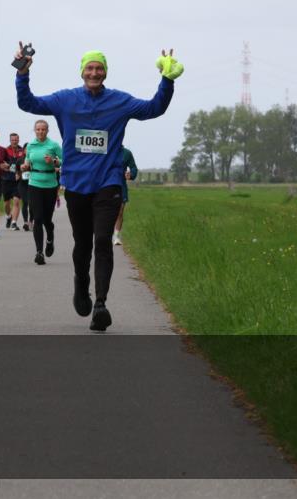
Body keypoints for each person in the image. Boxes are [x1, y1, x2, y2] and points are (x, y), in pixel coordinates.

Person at [15, 45, 183, 331]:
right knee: (82, 244)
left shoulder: (120, 101)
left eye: (99, 68)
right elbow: (27, 103)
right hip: (77, 184)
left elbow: (154, 108)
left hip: (108, 183)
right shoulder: (65, 100)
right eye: (90, 68)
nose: (94, 72)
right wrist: (22, 73)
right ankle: (81, 285)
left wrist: (167, 79)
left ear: (106, 72)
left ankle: (101, 304)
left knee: (103, 240)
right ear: (82, 72)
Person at [23, 120, 61, 265]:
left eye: (43, 129)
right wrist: (25, 166)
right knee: (37, 218)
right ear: (34, 130)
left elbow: (64, 160)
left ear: (47, 131)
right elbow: (27, 161)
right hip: (34, 183)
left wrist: (54, 161)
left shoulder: (53, 145)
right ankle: (39, 252)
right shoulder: (31, 145)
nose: (40, 132)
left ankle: (50, 239)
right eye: (38, 129)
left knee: (47, 220)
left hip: (50, 184)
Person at [113, 147, 139, 245]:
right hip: (105, 185)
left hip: (121, 185)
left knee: (120, 212)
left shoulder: (126, 153)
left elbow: (134, 168)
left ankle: (116, 236)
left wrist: (131, 174)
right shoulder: (105, 149)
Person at [2, 133, 25, 231]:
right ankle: (8, 216)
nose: (14, 141)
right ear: (10, 140)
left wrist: (20, 172)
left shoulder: (22, 151)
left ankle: (14, 223)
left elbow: (25, 162)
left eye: (16, 140)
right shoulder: (5, 151)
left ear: (18, 140)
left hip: (18, 180)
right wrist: (4, 166)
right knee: (6, 203)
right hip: (6, 179)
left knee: (16, 201)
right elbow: (0, 163)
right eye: (13, 140)